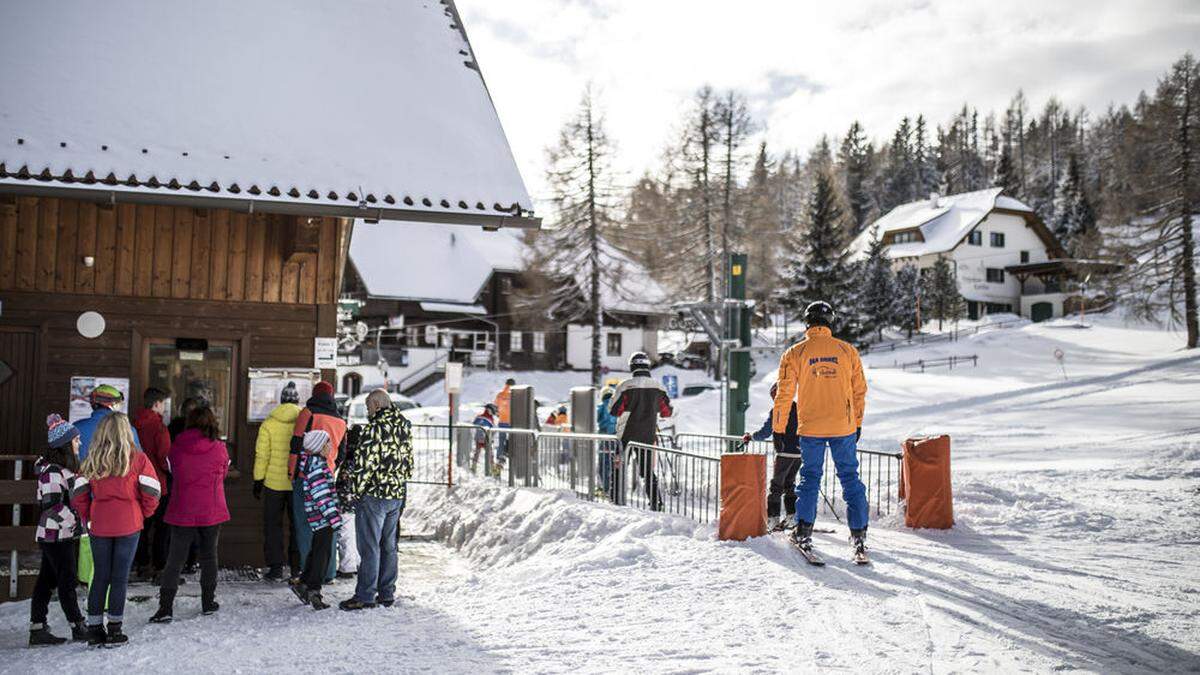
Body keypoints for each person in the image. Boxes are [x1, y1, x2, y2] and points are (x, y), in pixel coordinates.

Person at [772, 301, 869, 561]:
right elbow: (860, 392)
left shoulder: (795, 353)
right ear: (830, 321)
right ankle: (859, 535)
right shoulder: (847, 351)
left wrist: (779, 428)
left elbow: (784, 395)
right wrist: (857, 422)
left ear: (807, 322)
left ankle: (803, 532)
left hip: (811, 427)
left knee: (810, 479)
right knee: (850, 478)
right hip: (843, 426)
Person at [71, 413, 160, 647]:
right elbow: (152, 491)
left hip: (99, 522)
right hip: (129, 522)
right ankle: (114, 630)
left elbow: (79, 492)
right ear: (125, 432)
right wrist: (143, 513)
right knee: (119, 578)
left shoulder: (91, 459)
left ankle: (93, 629)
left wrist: (87, 515)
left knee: (100, 576)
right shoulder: (138, 459)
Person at [149, 405, 230, 623]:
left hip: (182, 507)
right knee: (209, 556)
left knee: (174, 559)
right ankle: (208, 602)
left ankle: (165, 608)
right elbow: (222, 474)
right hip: (211, 508)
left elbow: (172, 469)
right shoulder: (219, 447)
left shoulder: (177, 446)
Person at [339, 389, 413, 611]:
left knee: (370, 546)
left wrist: (358, 491)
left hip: (375, 495)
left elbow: (365, 464)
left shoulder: (374, 429)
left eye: (369, 407)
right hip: (397, 494)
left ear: (377, 405)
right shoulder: (404, 425)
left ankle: (365, 595)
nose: (369, 412)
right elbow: (409, 462)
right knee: (389, 545)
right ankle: (387, 592)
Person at [29, 415, 87, 646]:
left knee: (46, 580)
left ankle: (37, 628)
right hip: (56, 535)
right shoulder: (52, 472)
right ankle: (78, 625)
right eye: (76, 440)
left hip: (60, 534)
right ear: (65, 444)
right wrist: (75, 520)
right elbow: (52, 506)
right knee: (66, 579)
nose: (79, 443)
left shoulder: (62, 469)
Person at [289, 381, 345, 584]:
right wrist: (330, 468)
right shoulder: (340, 420)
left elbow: (295, 444)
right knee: (327, 527)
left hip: (305, 477)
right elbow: (341, 454)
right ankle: (328, 572)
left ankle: (307, 571)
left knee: (305, 525)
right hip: (326, 478)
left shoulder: (308, 413)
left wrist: (292, 473)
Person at [609, 352, 672, 510]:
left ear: (632, 366)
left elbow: (614, 410)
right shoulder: (658, 387)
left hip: (625, 436)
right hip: (647, 436)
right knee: (647, 472)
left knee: (619, 468)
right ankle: (656, 503)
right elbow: (667, 412)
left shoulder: (625, 386)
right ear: (647, 366)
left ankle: (616, 501)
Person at [252, 383, 301, 582]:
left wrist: (258, 480)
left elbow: (261, 455)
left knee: (273, 525)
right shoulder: (303, 421)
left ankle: (276, 567)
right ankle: (296, 567)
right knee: (297, 525)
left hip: (273, 484)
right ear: (297, 400)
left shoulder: (269, 423)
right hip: (296, 482)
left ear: (281, 400)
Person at [292, 429, 342, 611]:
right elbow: (322, 496)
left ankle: (304, 582)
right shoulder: (317, 467)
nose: (330, 447)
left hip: (318, 516)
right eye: (327, 443)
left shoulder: (312, 463)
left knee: (316, 551)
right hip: (322, 517)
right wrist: (334, 518)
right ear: (319, 447)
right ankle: (314, 589)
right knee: (323, 554)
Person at [744, 382, 801, 531]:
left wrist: (752, 437)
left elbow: (765, 432)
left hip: (784, 452)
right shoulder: (799, 408)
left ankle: (773, 518)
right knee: (790, 484)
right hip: (799, 452)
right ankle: (791, 516)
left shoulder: (777, 410)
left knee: (776, 485)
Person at [132, 387, 172, 581]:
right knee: (161, 528)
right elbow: (165, 458)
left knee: (141, 526)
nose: (165, 408)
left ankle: (141, 564)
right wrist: (170, 471)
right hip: (158, 484)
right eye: (164, 403)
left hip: (136, 483)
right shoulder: (159, 427)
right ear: (157, 403)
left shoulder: (133, 425)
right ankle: (159, 567)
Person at [75, 384, 141, 460]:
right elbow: (137, 460)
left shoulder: (76, 427)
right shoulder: (128, 430)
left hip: (82, 471)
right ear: (114, 404)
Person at [596, 388, 617, 498]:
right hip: (615, 437)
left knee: (603, 464)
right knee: (613, 464)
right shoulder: (616, 405)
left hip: (604, 437)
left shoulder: (601, 406)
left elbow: (595, 417)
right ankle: (614, 488)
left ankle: (605, 488)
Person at [493, 378, 515, 466]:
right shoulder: (515, 395)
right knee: (512, 440)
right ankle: (510, 456)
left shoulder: (500, 395)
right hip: (512, 422)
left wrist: (500, 414)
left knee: (501, 440)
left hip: (502, 421)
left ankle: (500, 457)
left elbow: (496, 407)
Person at [470, 403, 498, 472]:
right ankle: (492, 468)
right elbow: (493, 429)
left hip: (478, 438)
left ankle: (474, 466)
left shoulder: (479, 417)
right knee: (490, 454)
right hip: (487, 439)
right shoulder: (489, 419)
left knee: (477, 453)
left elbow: (473, 425)